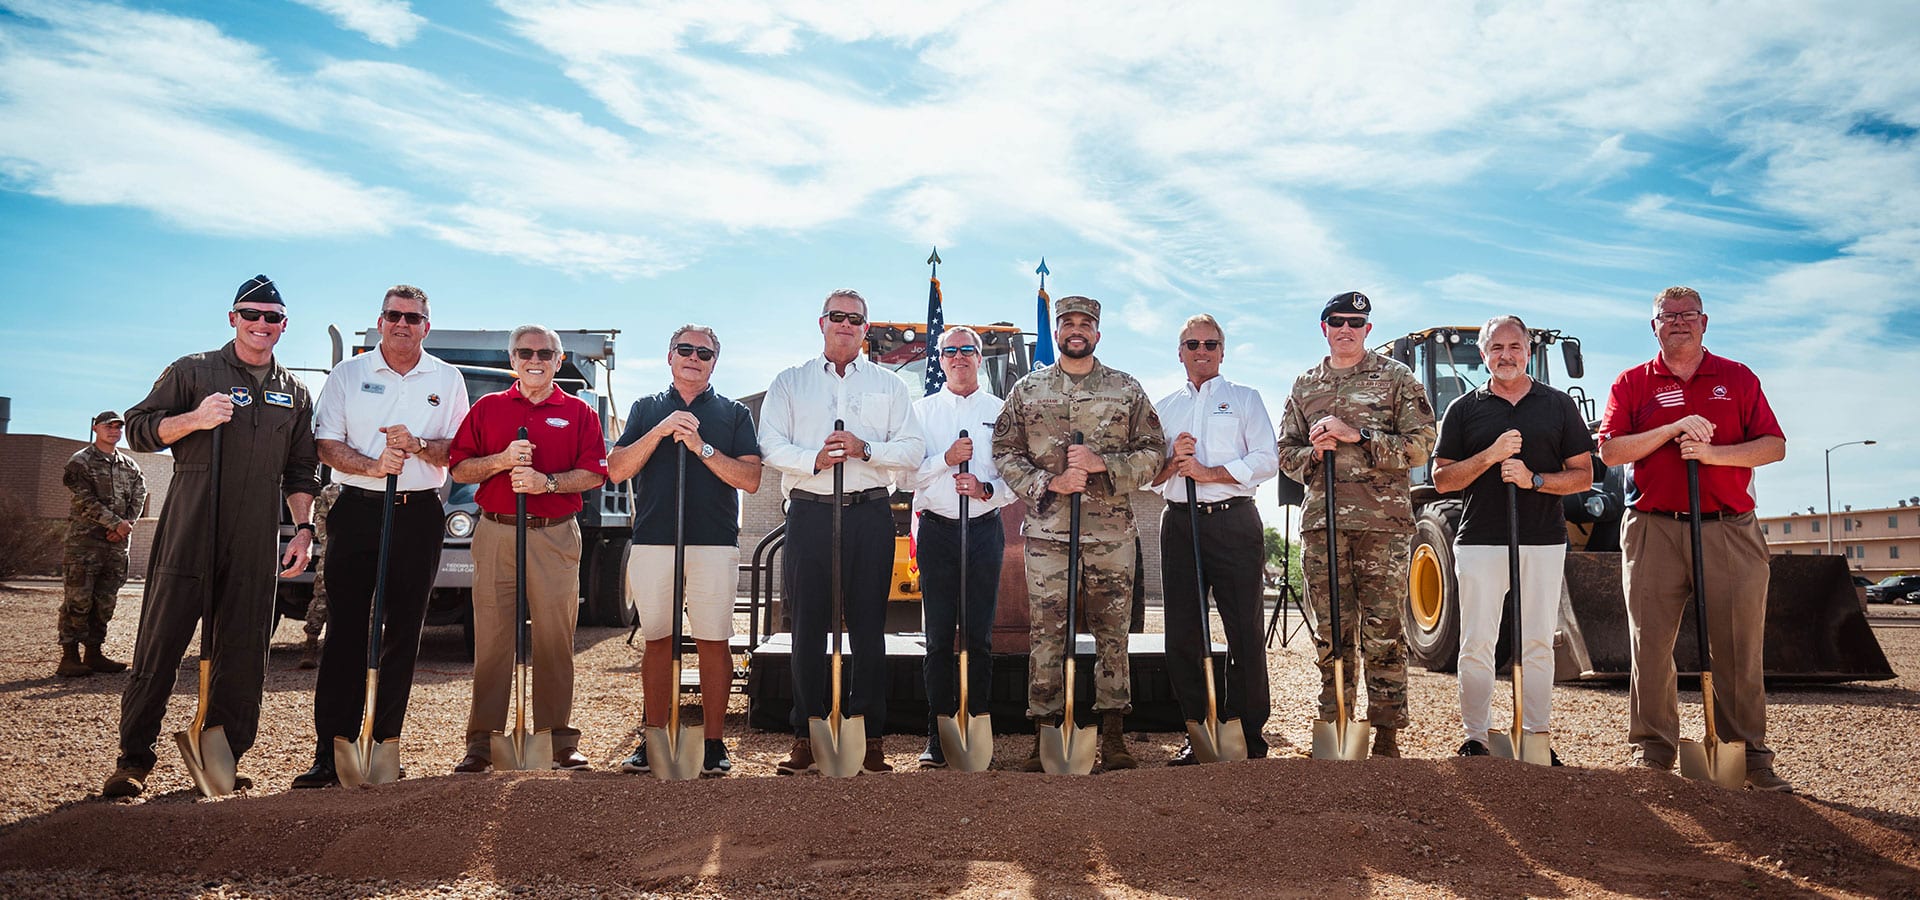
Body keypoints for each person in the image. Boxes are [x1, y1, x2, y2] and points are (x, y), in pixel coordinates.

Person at [102, 274, 320, 798]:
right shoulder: (194, 370)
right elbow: (138, 428)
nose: (260, 325)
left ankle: (221, 756)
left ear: (284, 326)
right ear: (232, 318)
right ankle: (134, 759)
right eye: (251, 314)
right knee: (161, 642)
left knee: (245, 651)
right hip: (192, 521)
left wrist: (303, 528)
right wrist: (195, 420)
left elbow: (300, 469)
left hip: (255, 531)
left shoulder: (294, 392)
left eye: (272, 317)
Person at [1597, 286, 1790, 791]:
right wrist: (1671, 429)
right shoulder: (1632, 383)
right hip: (1653, 527)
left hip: (1729, 528)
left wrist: (1712, 455)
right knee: (1651, 646)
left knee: (1738, 648)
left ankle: (1749, 756)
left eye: (1687, 315)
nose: (1677, 322)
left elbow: (1774, 447)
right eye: (1667, 315)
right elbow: (1612, 452)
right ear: (1653, 325)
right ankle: (1655, 751)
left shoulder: (1737, 377)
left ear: (1705, 322)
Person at [294, 285, 470, 788]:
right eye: (394, 315)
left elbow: (457, 450)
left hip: (419, 514)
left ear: (426, 326)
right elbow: (326, 444)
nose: (402, 324)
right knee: (347, 629)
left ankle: (385, 743)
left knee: (404, 631)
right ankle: (332, 750)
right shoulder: (348, 374)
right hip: (357, 511)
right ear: (380, 321)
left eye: (413, 318)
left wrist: (417, 445)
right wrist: (374, 466)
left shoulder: (447, 378)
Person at [993, 295, 1165, 772]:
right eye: (1067, 322)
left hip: (1110, 535)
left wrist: (1102, 465)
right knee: (1047, 634)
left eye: (1084, 324)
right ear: (1058, 330)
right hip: (1049, 534)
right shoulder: (1028, 390)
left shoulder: (1125, 390)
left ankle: (1113, 735)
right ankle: (1044, 733)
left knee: (1114, 635)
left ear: (1097, 333)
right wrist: (1048, 483)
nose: (1075, 330)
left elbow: (1154, 452)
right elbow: (1004, 451)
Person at [760, 289, 924, 775]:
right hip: (809, 512)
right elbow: (769, 444)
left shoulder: (890, 386)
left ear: (865, 328)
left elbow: (912, 449)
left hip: (868, 513)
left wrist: (865, 448)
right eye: (838, 316)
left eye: (856, 319)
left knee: (870, 627)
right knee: (806, 627)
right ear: (822, 322)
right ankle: (806, 735)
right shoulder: (791, 382)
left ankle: (869, 736)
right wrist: (812, 458)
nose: (846, 325)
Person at [1276, 291, 1435, 758]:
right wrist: (1314, 453)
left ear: (1367, 329)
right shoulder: (1305, 385)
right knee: (1331, 629)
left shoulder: (1396, 378)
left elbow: (1421, 445)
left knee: (1384, 627)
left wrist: (1359, 436)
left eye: (1355, 321)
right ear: (1323, 327)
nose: (1346, 328)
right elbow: (1284, 452)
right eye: (1336, 321)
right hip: (1322, 526)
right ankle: (1337, 720)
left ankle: (1385, 732)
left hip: (1382, 524)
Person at [1430, 315, 1593, 761]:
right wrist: (1490, 455)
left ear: (1528, 352)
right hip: (1480, 538)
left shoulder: (1558, 406)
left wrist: (1534, 479)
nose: (1506, 355)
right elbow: (1441, 478)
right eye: (1496, 348)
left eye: (1514, 346)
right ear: (1483, 355)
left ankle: (1536, 735)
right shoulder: (1463, 409)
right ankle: (1476, 737)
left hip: (1542, 538)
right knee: (1478, 640)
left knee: (1538, 639)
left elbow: (1583, 476)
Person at [449, 325, 607, 773]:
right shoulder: (488, 408)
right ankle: (482, 743)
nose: (533, 359)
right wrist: (502, 460)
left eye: (544, 352)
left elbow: (595, 473)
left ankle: (557, 739)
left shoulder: (577, 412)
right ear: (512, 358)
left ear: (559, 360)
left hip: (554, 533)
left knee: (555, 638)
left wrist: (547, 483)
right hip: (496, 531)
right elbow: (460, 469)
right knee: (494, 639)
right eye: (524, 352)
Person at [608, 324, 762, 777]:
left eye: (705, 352)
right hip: (655, 539)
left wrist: (701, 446)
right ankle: (653, 734)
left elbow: (750, 479)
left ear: (715, 361)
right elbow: (617, 470)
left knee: (714, 640)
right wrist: (659, 432)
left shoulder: (734, 414)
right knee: (657, 638)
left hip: (713, 542)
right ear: (669, 355)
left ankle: (714, 742)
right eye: (685, 349)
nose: (694, 357)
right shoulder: (645, 408)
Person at [1149, 314, 1278, 763]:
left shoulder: (1245, 399)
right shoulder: (1163, 408)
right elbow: (1149, 478)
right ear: (1179, 351)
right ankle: (1199, 730)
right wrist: (1172, 461)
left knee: (1244, 629)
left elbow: (1266, 459)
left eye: (1210, 344)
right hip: (1180, 524)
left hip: (1234, 522)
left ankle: (1248, 734)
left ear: (1222, 351)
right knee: (1184, 632)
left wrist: (1208, 472)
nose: (1201, 351)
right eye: (1192, 344)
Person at [905, 326, 1013, 768]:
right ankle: (937, 732)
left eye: (968, 350)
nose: (960, 357)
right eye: (951, 351)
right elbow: (905, 478)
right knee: (936, 640)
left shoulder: (1002, 412)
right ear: (941, 358)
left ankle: (977, 724)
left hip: (984, 531)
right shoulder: (920, 413)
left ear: (980, 357)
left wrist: (988, 489)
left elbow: (1017, 480)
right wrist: (944, 461)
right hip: (938, 532)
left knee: (980, 637)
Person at [57, 410, 147, 678]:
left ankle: (94, 654)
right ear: (95, 428)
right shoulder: (80, 462)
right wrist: (114, 524)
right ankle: (69, 657)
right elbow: (83, 500)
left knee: (105, 600)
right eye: (108, 426)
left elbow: (139, 496)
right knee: (78, 599)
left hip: (116, 545)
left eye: (118, 427)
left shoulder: (129, 466)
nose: (114, 430)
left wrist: (125, 525)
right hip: (84, 545)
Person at [298, 482, 342, 670]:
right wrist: (330, 545)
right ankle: (311, 645)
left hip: (362, 551)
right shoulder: (329, 492)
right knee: (322, 596)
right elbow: (320, 522)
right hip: (333, 550)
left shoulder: (370, 487)